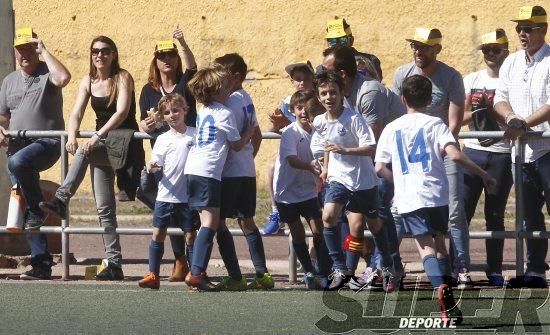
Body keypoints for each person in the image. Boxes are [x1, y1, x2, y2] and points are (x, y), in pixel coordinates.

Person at [376, 75, 495, 324]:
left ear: (403, 99)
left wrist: (399, 181)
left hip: (410, 197)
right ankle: (447, 291)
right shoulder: (436, 124)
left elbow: (379, 168)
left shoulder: (392, 127)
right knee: (440, 243)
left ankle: (440, 289)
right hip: (436, 194)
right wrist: (484, 174)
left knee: (425, 247)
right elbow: (454, 154)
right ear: (430, 99)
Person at [40, 36, 139, 280]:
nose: (100, 55)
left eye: (105, 51)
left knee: (150, 194)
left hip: (123, 143)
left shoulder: (123, 77)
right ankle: (114, 263)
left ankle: (62, 198)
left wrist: (95, 137)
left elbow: (122, 112)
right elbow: (75, 113)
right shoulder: (88, 80)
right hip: (101, 146)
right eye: (95, 51)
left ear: (113, 54)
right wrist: (72, 135)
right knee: (104, 208)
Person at [392, 28, 471, 287]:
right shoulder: (402, 74)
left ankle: (461, 269)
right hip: (411, 156)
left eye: (424, 47)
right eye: (414, 45)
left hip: (443, 150)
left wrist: (442, 146)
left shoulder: (450, 76)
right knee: (399, 210)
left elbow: (454, 122)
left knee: (455, 212)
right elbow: (398, 116)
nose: (417, 51)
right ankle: (391, 268)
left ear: (437, 49)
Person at [321, 45, 405, 287]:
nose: (323, 75)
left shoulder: (368, 93)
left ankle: (385, 267)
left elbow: (373, 143)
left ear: (343, 73)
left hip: (388, 160)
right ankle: (350, 269)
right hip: (359, 163)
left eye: (327, 70)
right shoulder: (338, 95)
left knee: (377, 211)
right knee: (352, 219)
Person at [0, 27, 71, 280]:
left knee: (20, 166)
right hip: (17, 148)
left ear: (37, 49)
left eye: (29, 48)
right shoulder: (9, 81)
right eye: (20, 49)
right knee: (28, 204)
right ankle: (41, 264)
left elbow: (63, 78)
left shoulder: (47, 73)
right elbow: (4, 115)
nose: (24, 54)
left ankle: (37, 212)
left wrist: (45, 51)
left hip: (47, 143)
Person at [493, 5, 550, 289]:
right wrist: (511, 118)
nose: (521, 33)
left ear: (543, 30)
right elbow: (499, 98)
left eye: (528, 28)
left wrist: (523, 124)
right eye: (519, 28)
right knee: (528, 214)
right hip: (522, 151)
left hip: (547, 148)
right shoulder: (512, 62)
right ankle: (536, 271)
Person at [184, 67, 254, 291]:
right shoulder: (225, 113)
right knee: (210, 223)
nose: (229, 90)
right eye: (225, 87)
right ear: (215, 91)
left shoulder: (204, 110)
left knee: (209, 222)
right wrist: (249, 132)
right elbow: (235, 145)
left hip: (192, 169)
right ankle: (196, 273)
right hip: (208, 171)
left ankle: (198, 272)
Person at [138, 25, 198, 282]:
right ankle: (172, 263)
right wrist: (145, 125)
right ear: (155, 60)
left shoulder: (185, 84)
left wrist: (182, 43)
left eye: (171, 55)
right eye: (162, 56)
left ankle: (189, 266)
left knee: (187, 223)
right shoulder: (147, 91)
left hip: (187, 156)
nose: (167, 60)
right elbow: (141, 121)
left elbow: (193, 68)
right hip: (162, 155)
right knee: (161, 215)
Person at [213, 53, 274, 290]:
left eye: (221, 75)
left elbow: (237, 139)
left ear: (235, 77)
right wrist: (248, 158)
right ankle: (262, 274)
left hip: (228, 173)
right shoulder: (246, 97)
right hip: (246, 170)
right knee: (246, 221)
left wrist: (237, 157)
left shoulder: (228, 102)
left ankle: (236, 276)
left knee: (218, 222)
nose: (217, 80)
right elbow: (256, 134)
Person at [461, 29, 512, 287]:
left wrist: (493, 107)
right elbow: (458, 119)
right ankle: (460, 267)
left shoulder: (512, 79)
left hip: (502, 153)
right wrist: (478, 108)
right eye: (486, 50)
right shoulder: (471, 79)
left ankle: (494, 269)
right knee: (462, 212)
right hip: (472, 151)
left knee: (495, 214)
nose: (490, 55)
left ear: (507, 50)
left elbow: (516, 119)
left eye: (496, 49)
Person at [138, 94, 195, 289]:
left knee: (190, 236)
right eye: (167, 112)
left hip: (188, 197)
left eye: (176, 110)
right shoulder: (162, 139)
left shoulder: (195, 134)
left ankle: (195, 274)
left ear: (185, 110)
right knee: (158, 233)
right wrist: (151, 166)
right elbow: (156, 162)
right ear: (162, 116)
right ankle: (153, 274)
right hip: (165, 195)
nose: (172, 115)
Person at [274, 90, 330, 289]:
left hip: (308, 191)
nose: (304, 112)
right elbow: (291, 159)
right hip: (286, 192)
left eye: (308, 108)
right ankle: (308, 272)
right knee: (297, 234)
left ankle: (324, 271)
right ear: (293, 111)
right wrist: (309, 166)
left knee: (319, 230)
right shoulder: (290, 132)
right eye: (299, 108)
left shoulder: (320, 130)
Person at [263, 61, 315, 235]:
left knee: (316, 221)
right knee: (272, 167)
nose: (302, 83)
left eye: (306, 79)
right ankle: (276, 211)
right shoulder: (288, 103)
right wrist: (277, 124)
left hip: (313, 148)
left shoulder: (317, 100)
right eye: (297, 79)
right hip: (294, 147)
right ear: (292, 82)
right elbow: (274, 129)